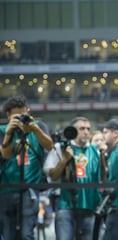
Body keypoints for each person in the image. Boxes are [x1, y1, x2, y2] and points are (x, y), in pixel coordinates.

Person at [0, 95, 53, 240]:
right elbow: (6, 154)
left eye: (24, 115)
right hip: (6, 189)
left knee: (26, 234)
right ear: (8, 115)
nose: (21, 119)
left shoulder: (38, 127)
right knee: (9, 234)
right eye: (16, 117)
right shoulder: (2, 130)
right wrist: (9, 133)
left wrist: (34, 129)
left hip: (30, 189)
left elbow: (50, 146)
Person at [43, 116, 101, 240]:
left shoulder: (96, 151)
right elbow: (52, 176)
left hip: (89, 205)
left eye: (88, 129)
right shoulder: (60, 148)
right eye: (81, 129)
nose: (86, 132)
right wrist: (64, 159)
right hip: (65, 204)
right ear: (73, 131)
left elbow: (101, 178)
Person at [100, 118, 118, 240]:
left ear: (115, 133)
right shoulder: (114, 151)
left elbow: (115, 179)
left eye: (105, 132)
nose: (103, 136)